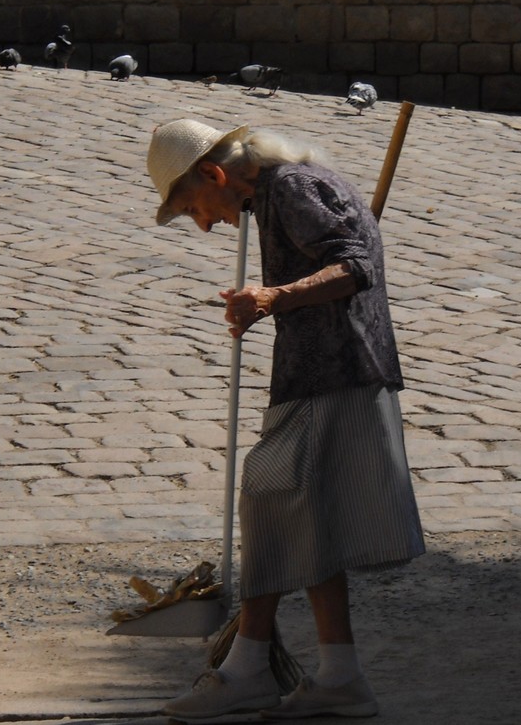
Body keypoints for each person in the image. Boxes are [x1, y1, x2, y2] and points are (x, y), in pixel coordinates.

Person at [146, 119, 425, 720]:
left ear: (215, 174)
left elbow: (354, 267)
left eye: (196, 206)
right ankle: (339, 675)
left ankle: (247, 668)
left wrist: (275, 297)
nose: (206, 223)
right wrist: (276, 300)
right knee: (307, 515)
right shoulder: (278, 193)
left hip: (336, 371)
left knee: (270, 496)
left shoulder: (293, 187)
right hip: (327, 368)